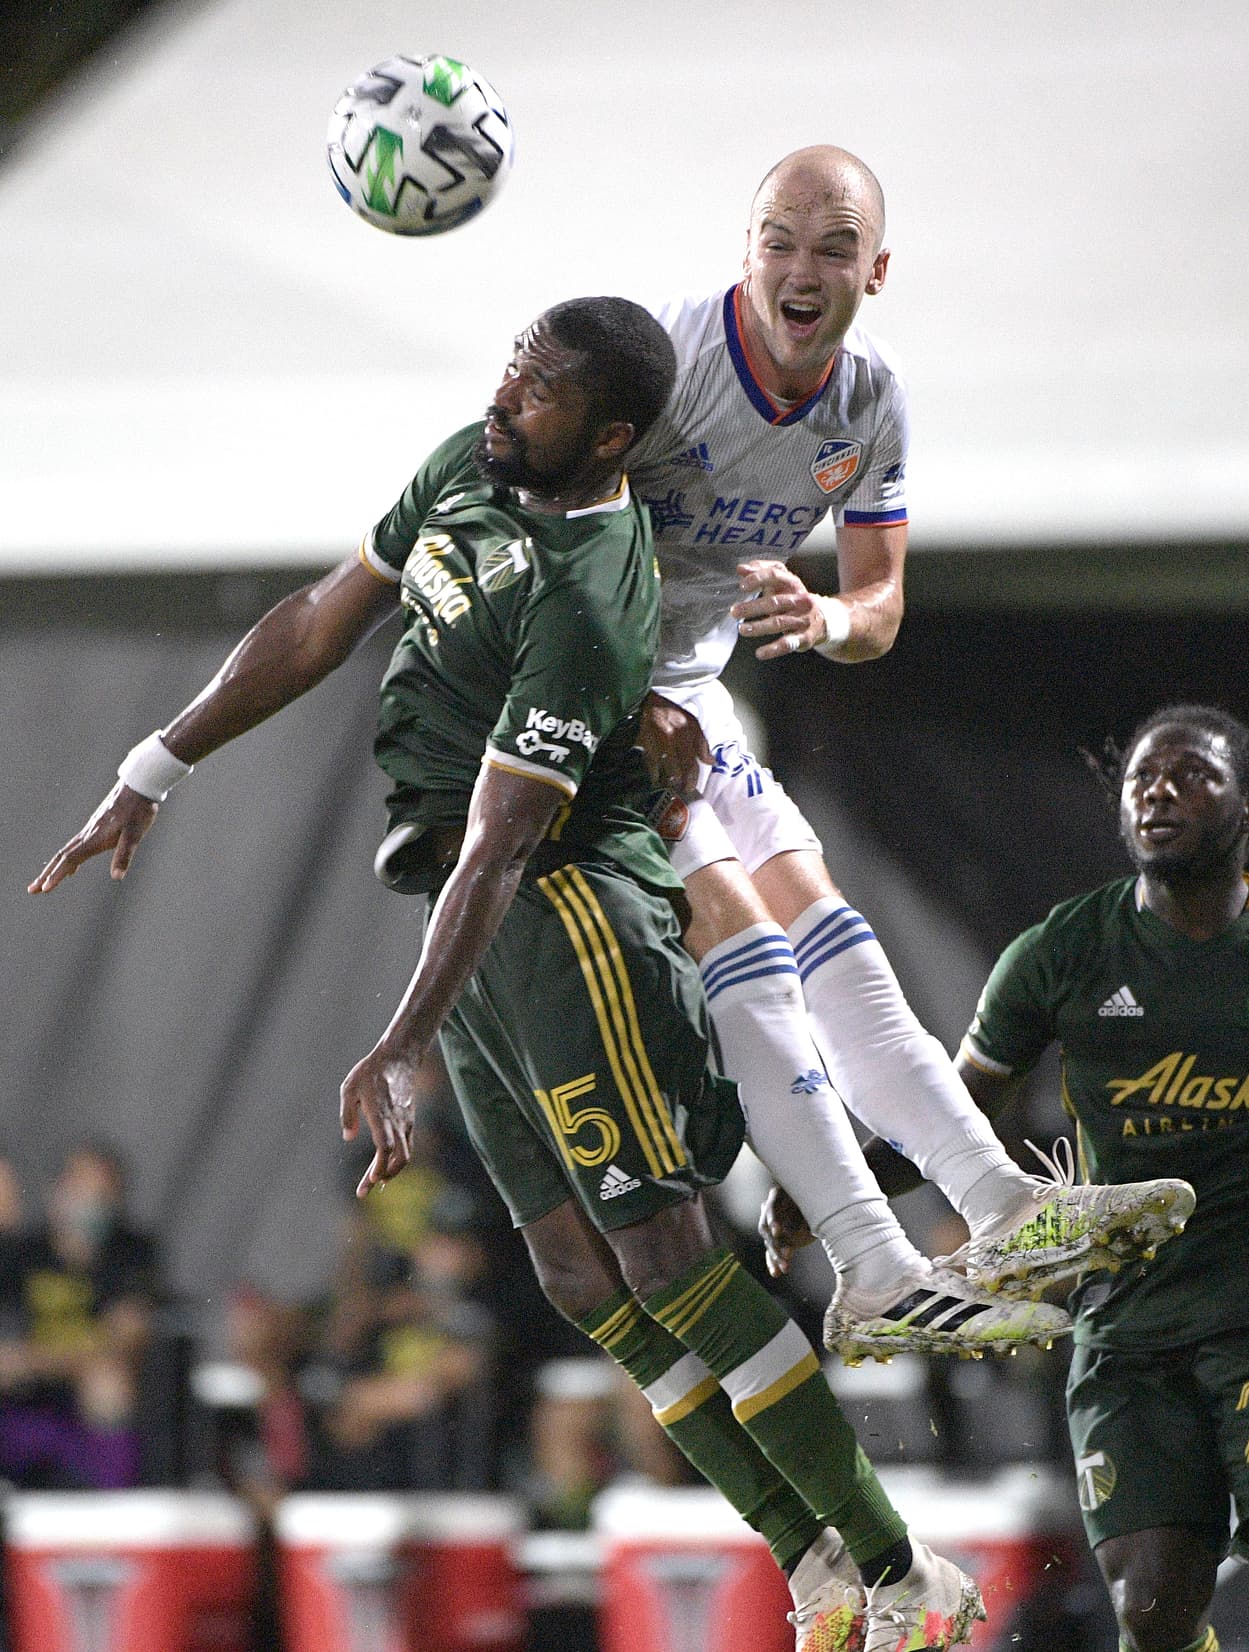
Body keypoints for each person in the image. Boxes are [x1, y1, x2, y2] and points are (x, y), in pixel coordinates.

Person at [30, 296, 984, 1652]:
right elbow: (318, 614)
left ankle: (896, 1571)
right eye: (509, 368)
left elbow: (503, 839)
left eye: (536, 391)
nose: (503, 397)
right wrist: (155, 766)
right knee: (575, 1278)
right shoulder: (466, 465)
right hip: (461, 910)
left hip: (568, 906)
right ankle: (813, 1560)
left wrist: (404, 1037)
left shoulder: (594, 593)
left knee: (661, 1250)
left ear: (607, 437)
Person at [626, 144, 1192, 1357]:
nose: (800, 265)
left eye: (832, 245)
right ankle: (871, 1259)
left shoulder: (866, 400)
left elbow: (878, 605)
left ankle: (997, 1208)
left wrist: (822, 616)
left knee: (826, 926)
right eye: (779, 237)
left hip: (689, 691)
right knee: (748, 936)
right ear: (743, 249)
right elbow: (538, 527)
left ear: (874, 270)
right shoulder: (662, 362)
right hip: (591, 700)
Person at [953, 704, 1249, 1652]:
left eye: (1190, 776)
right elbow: (956, 1110)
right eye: (1142, 778)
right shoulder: (1066, 950)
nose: (1159, 792)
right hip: (1131, 1331)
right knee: (1151, 1614)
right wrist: (836, 1200)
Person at [0, 1141, 161, 1489]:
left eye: (101, 1195)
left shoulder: (131, 1255)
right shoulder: (21, 1253)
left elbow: (123, 1343)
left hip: (84, 1410)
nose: (89, 1203)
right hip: (25, 1405)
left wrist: (34, 1360)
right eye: (80, 1187)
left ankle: (112, 1514)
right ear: (57, 1189)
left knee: (108, 1384)